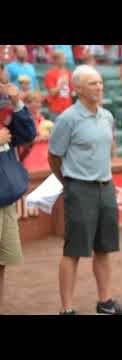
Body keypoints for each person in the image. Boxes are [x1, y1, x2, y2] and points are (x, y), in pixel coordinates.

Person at [48, 65, 122, 315]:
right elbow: (54, 157)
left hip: (106, 187)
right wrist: (70, 184)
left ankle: (105, 302)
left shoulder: (107, 116)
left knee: (104, 248)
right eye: (92, 83)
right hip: (79, 189)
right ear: (77, 89)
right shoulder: (67, 119)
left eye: (99, 82)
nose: (99, 86)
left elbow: (110, 149)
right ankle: (67, 309)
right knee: (73, 250)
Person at [0, 64, 37, 312]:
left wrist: (17, 104)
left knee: (2, 263)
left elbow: (27, 134)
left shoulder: (4, 108)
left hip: (5, 195)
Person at [44, 51, 73, 122]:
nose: (64, 60)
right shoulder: (50, 74)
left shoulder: (69, 73)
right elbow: (52, 92)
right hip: (55, 109)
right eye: (61, 58)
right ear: (55, 60)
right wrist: (61, 84)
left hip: (67, 108)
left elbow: (71, 91)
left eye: (64, 58)